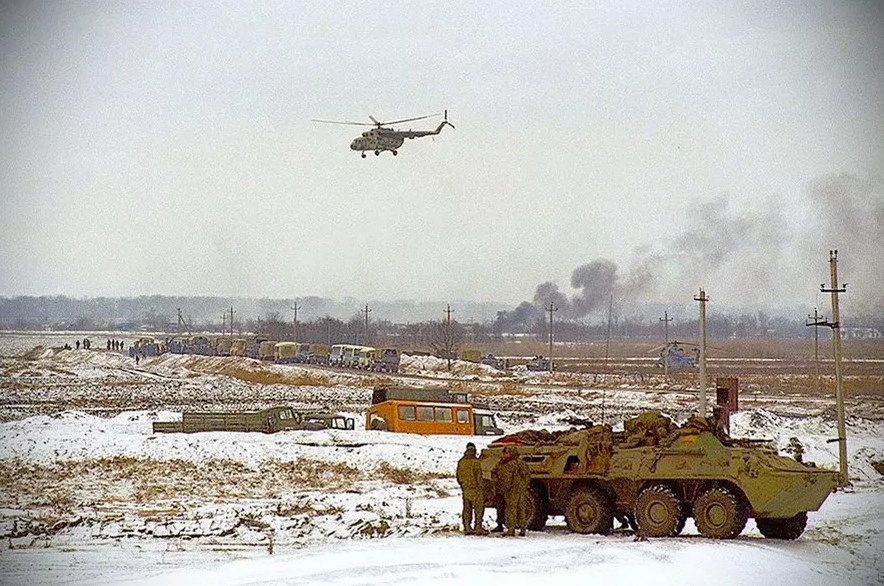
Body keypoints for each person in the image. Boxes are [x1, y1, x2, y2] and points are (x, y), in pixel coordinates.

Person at [494, 446, 530, 536]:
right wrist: (523, 487)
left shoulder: (509, 464)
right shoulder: (522, 463)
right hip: (520, 490)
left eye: (506, 453)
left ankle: (511, 529)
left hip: (511, 491)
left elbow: (506, 479)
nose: (504, 455)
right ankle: (523, 529)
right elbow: (527, 477)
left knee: (511, 510)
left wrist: (503, 488)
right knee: (521, 509)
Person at [456, 442, 487, 536]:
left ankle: (467, 527)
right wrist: (481, 487)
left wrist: (463, 486)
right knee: (479, 509)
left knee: (467, 509)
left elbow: (458, 476)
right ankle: (478, 527)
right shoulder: (476, 462)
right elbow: (479, 477)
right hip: (476, 489)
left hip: (466, 489)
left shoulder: (461, 462)